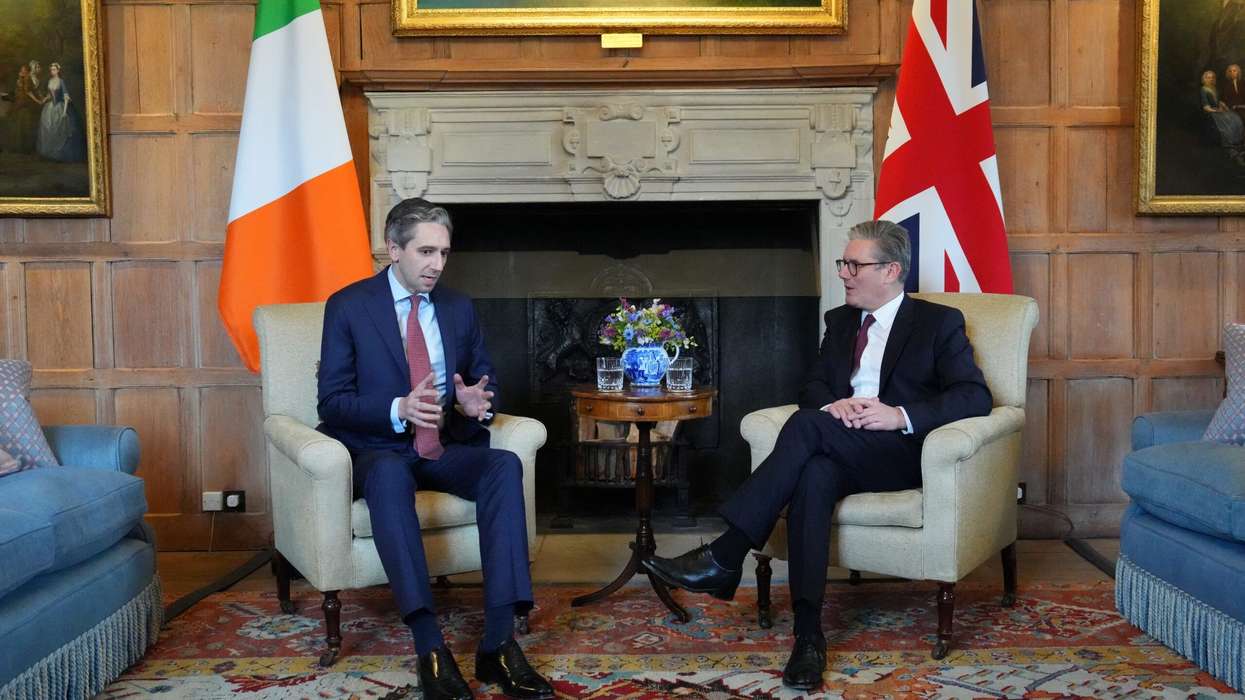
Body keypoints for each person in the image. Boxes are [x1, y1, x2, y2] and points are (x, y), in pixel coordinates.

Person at [642, 220, 992, 692]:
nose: (844, 273)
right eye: (842, 263)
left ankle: (725, 553)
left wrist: (899, 415)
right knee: (814, 477)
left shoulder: (937, 322)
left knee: (806, 426)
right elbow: (812, 386)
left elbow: (975, 397)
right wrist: (834, 404)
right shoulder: (840, 321)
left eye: (854, 264)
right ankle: (808, 637)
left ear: (890, 271)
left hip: (900, 452)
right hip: (837, 444)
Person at [317, 198, 554, 700]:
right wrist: (398, 408)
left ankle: (498, 645)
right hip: (379, 449)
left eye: (444, 253)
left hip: (443, 446)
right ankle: (429, 646)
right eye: (426, 252)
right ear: (393, 248)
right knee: (385, 477)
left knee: (503, 465)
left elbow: (485, 381)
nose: (437, 265)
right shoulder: (348, 306)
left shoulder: (457, 306)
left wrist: (475, 403)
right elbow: (333, 402)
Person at [36, 62, 86, 162]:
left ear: (58, 70)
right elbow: (50, 95)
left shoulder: (61, 81)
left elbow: (66, 97)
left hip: (60, 107)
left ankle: (59, 155)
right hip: (50, 108)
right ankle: (50, 154)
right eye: (51, 70)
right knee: (48, 128)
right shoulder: (50, 81)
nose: (52, 71)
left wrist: (64, 112)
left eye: (54, 69)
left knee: (60, 130)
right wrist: (44, 99)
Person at [1200, 69, 1244, 149]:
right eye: (1208, 78)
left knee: (1235, 117)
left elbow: (1218, 101)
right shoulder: (1203, 90)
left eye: (1212, 77)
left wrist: (1224, 106)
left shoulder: (1214, 88)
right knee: (1227, 120)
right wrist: (1217, 110)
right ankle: (1230, 142)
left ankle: (1237, 141)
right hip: (1211, 111)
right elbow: (1205, 107)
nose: (1211, 79)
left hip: (1219, 109)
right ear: (1204, 79)